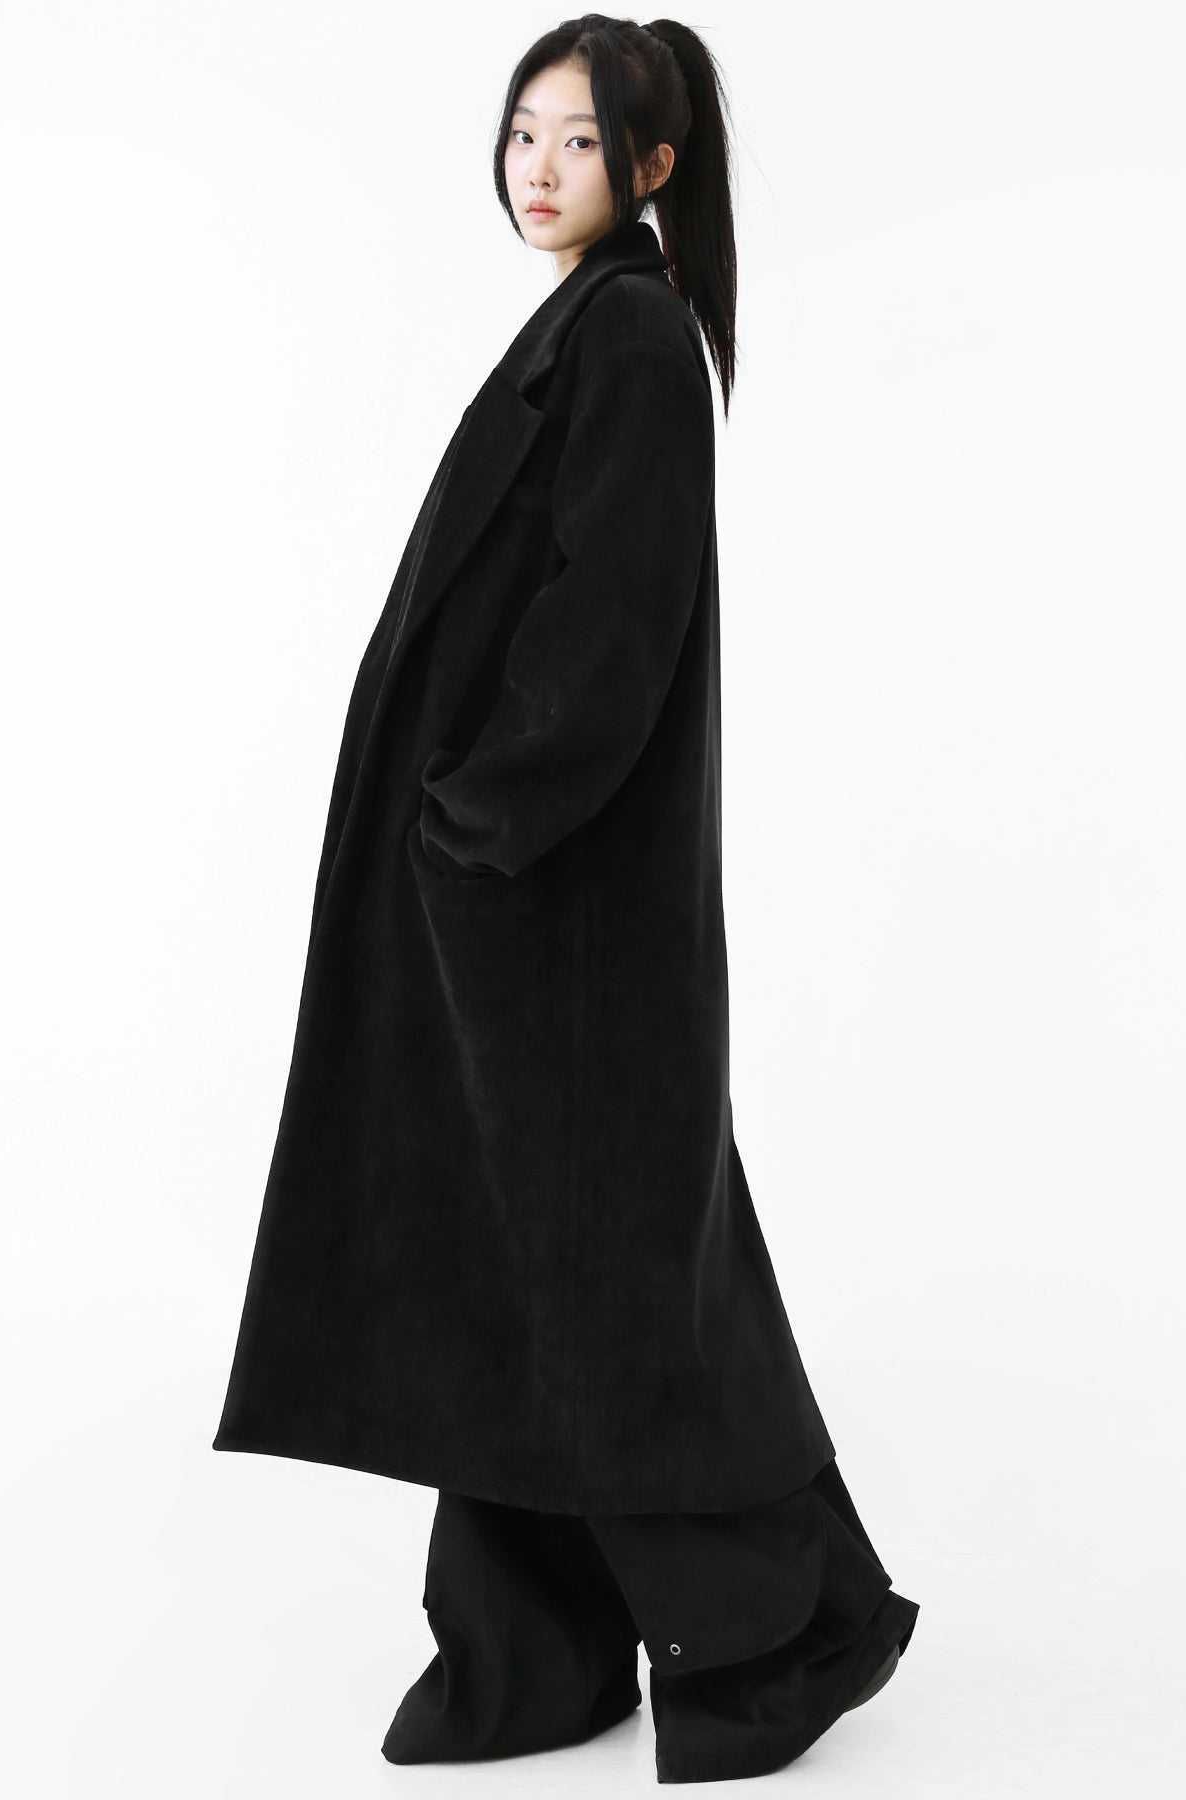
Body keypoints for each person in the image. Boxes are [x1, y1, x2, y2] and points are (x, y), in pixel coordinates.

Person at [213, 13, 919, 1784]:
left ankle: (784, 1626)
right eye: (526, 129)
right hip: (520, 913)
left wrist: (474, 826)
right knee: (518, 1269)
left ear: (653, 168)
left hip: (557, 916)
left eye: (582, 140)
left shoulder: (631, 334)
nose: (540, 166)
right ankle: (533, 1646)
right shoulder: (594, 321)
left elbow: (613, 628)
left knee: (602, 1287)